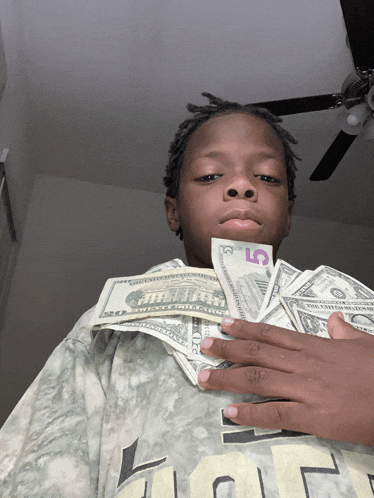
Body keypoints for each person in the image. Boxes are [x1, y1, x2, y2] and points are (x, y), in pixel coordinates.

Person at [1, 93, 374, 497]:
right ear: (173, 211)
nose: (242, 186)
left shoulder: (358, 314)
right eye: (211, 175)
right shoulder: (106, 330)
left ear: (288, 215)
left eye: (267, 177)